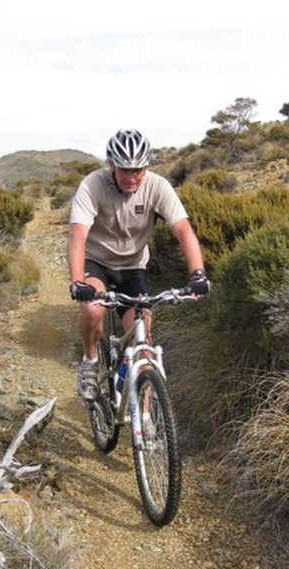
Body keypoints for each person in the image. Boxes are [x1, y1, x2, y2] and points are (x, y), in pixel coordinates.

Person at [67, 128, 210, 403]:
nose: (132, 177)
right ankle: (90, 359)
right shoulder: (92, 185)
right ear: (112, 165)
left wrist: (198, 274)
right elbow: (77, 235)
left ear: (146, 167)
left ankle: (145, 425)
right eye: (125, 170)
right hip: (95, 262)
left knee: (143, 342)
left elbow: (183, 230)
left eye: (138, 170)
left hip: (133, 268)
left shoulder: (157, 186)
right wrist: (77, 282)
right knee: (93, 309)